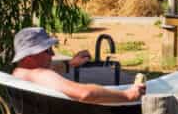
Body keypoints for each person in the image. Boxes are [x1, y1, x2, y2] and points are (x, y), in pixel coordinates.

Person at [11, 27, 145, 104]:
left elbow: (51, 68)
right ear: (29, 57)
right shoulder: (40, 74)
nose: (52, 54)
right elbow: (85, 93)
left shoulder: (18, 72)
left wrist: (70, 64)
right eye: (48, 50)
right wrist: (128, 95)